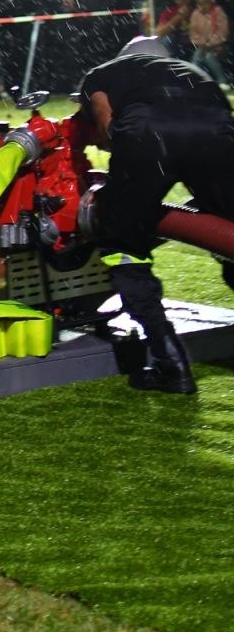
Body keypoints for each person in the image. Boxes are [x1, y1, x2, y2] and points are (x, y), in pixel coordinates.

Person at [72, 35, 234, 394]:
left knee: (120, 239)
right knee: (228, 226)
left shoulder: (103, 74)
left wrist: (116, 184)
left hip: (150, 131)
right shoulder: (190, 70)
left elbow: (108, 125)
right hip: (216, 129)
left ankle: (168, 361)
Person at [188, 0, 230, 85]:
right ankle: (194, 81)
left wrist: (211, 42)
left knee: (209, 57)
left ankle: (222, 80)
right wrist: (202, 42)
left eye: (205, 3)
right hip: (203, 46)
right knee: (197, 57)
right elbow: (193, 33)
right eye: (200, 3)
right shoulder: (195, 14)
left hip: (218, 45)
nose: (203, 6)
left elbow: (223, 32)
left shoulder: (218, 12)